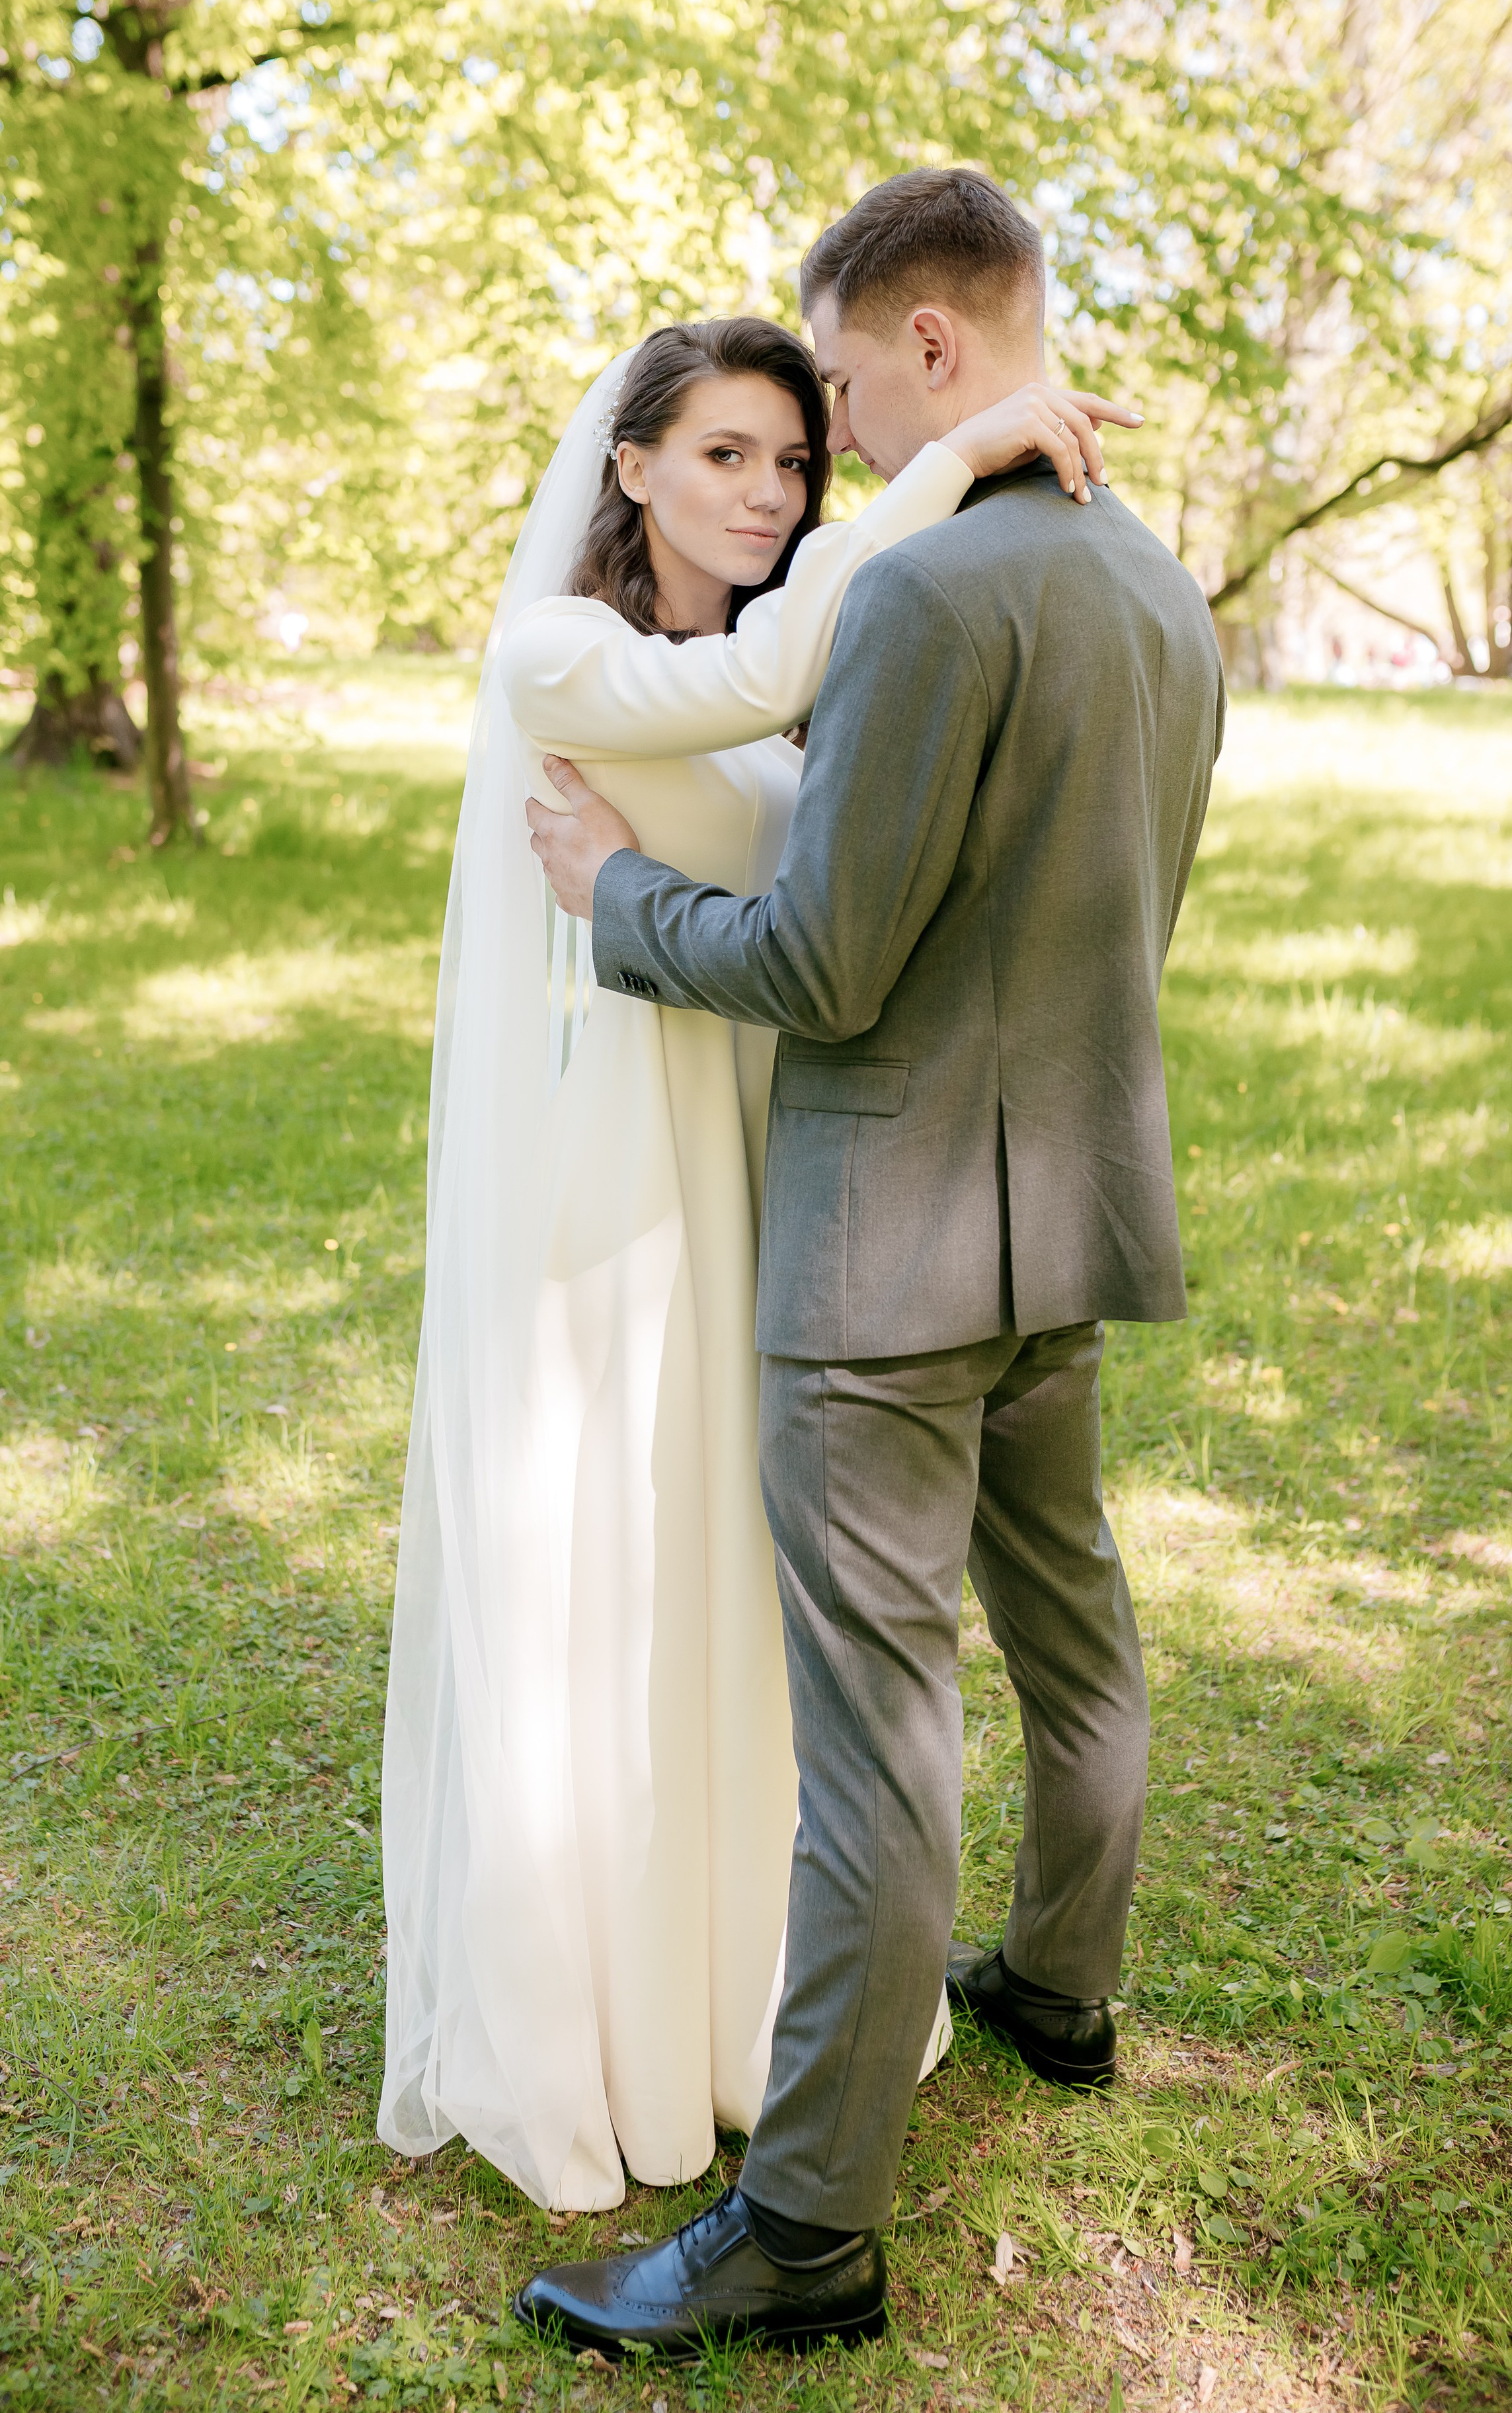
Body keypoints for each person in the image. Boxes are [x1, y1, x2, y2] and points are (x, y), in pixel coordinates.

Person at [518, 168, 1225, 2353]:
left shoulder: (924, 606)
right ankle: (1069, 1987)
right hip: (1072, 1211)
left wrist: (619, 898)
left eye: (835, 379)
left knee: (880, 1744)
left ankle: (808, 2227)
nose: (829, 428)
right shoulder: (1164, 595)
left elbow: (828, 963)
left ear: (933, 347)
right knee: (1077, 1631)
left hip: (889, 1255)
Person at [378, 309, 1131, 2213]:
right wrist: (952, 460)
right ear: (629, 466)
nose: (775, 493)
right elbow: (799, 649)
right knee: (628, 1579)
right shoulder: (569, 652)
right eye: (727, 455)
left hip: (782, 1180)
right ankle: (602, 2028)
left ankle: (748, 2012)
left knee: (751, 1597)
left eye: (797, 462)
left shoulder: (759, 675)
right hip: (627, 1196)